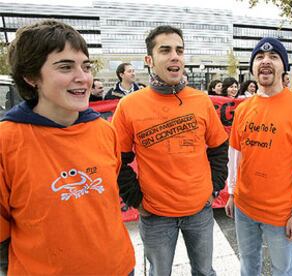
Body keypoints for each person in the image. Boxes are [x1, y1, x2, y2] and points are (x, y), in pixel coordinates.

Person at [0, 20, 135, 275]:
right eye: (65, 67)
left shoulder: (104, 131)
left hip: (119, 267)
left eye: (85, 66)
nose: (82, 77)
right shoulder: (6, 141)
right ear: (30, 77)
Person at [112, 25, 229, 276]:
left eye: (179, 50)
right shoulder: (128, 105)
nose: (175, 56)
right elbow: (117, 160)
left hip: (199, 210)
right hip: (155, 215)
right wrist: (137, 199)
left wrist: (214, 187)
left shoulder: (200, 100)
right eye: (165, 50)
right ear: (149, 60)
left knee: (205, 272)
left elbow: (219, 146)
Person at [225, 37, 292, 276]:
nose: (265, 61)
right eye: (259, 57)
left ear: (284, 67)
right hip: (244, 208)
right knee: (248, 265)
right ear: (252, 68)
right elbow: (235, 154)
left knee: (283, 269)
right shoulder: (243, 109)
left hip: (281, 213)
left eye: (273, 57)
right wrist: (231, 192)